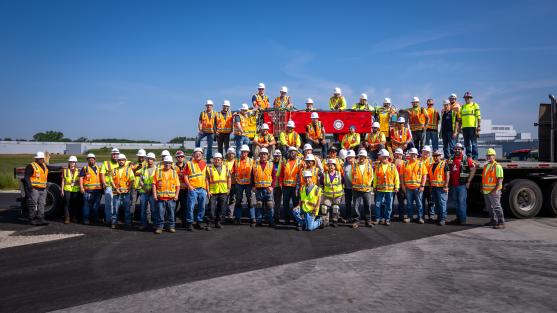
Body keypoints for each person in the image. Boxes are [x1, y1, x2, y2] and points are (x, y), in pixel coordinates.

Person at [447, 143, 476, 225]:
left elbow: (473, 169)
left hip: (462, 185)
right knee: (456, 203)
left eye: (459, 149)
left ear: (462, 150)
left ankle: (463, 220)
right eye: (456, 149)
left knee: (461, 202)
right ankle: (458, 218)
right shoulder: (451, 158)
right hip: (453, 185)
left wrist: (469, 181)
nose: (457, 150)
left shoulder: (466, 159)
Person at [152, 155, 180, 234]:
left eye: (169, 163)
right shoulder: (158, 172)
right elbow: (154, 184)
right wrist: (154, 195)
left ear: (171, 164)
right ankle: (160, 227)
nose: (168, 164)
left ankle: (171, 227)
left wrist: (176, 195)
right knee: (160, 214)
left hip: (171, 198)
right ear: (163, 163)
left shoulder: (174, 173)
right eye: (166, 163)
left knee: (171, 214)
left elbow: (178, 185)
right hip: (160, 198)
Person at [184, 147, 208, 231]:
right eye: (196, 153)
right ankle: (190, 223)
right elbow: (185, 176)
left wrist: (206, 189)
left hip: (202, 189)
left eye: (199, 153)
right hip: (193, 188)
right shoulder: (189, 163)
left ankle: (199, 222)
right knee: (191, 207)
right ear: (193, 155)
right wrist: (189, 186)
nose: (198, 155)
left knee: (202, 207)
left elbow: (206, 177)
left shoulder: (204, 164)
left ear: (202, 155)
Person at [373, 149, 400, 226]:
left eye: (385, 157)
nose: (384, 158)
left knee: (389, 205)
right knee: (378, 204)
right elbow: (375, 177)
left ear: (388, 157)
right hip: (380, 189)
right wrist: (374, 186)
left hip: (389, 190)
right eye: (383, 157)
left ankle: (387, 219)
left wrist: (397, 187)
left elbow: (396, 177)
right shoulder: (378, 166)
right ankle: (378, 218)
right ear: (381, 157)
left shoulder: (392, 166)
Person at [400, 148, 427, 224]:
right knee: (409, 204)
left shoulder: (421, 164)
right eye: (411, 154)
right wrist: (402, 185)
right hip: (408, 188)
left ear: (417, 155)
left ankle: (420, 217)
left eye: (414, 154)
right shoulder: (405, 164)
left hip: (418, 187)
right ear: (409, 155)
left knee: (419, 204)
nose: (413, 156)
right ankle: (410, 217)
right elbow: (401, 175)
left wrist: (422, 185)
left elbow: (424, 175)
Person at [206, 153, 231, 229]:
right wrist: (208, 191)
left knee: (221, 208)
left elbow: (229, 178)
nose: (217, 160)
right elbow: (207, 180)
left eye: (218, 159)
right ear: (213, 160)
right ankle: (209, 223)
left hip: (223, 191)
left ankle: (218, 222)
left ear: (221, 160)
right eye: (215, 159)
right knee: (211, 209)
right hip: (213, 192)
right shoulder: (209, 168)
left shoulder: (226, 168)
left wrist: (228, 188)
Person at [252, 148, 277, 227]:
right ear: (259, 155)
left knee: (270, 205)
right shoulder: (255, 164)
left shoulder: (271, 164)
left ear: (267, 156)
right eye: (262, 154)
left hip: (268, 189)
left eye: (265, 154)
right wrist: (253, 186)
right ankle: (259, 221)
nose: (263, 156)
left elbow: (274, 177)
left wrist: (272, 187)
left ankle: (271, 221)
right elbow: (252, 176)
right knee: (259, 205)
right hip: (258, 189)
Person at [24, 152, 49, 225]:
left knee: (42, 204)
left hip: (43, 189)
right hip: (34, 189)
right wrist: (30, 187)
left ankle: (41, 218)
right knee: (33, 204)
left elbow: (50, 168)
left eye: (43, 158)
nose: (42, 160)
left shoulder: (44, 165)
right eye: (41, 159)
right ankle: (32, 218)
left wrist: (60, 167)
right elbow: (26, 177)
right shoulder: (31, 166)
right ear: (37, 159)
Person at [482, 148, 505, 229]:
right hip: (486, 191)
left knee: (497, 207)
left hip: (494, 191)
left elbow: (500, 180)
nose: (488, 157)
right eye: (487, 155)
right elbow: (485, 178)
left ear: (494, 156)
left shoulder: (497, 166)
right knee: (489, 207)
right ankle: (493, 220)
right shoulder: (486, 166)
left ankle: (501, 222)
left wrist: (495, 190)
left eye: (490, 155)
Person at [110, 154, 135, 229]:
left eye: (122, 160)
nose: (121, 161)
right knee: (115, 209)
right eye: (120, 160)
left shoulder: (128, 169)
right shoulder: (114, 170)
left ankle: (127, 223)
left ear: (125, 161)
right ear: (117, 161)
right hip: (116, 193)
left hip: (126, 193)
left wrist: (128, 188)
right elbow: (111, 180)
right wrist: (115, 188)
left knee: (127, 209)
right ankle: (114, 223)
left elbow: (132, 180)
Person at [351, 150, 374, 228]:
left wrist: (368, 185)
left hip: (366, 190)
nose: (361, 158)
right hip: (356, 190)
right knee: (356, 206)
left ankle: (368, 221)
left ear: (365, 157)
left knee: (367, 206)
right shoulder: (354, 166)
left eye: (363, 157)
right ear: (359, 157)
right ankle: (356, 221)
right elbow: (352, 177)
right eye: (360, 157)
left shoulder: (369, 166)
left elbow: (371, 177)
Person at [233, 145, 255, 225]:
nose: (244, 153)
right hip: (239, 184)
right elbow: (233, 172)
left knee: (250, 201)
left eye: (245, 152)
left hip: (248, 184)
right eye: (242, 152)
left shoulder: (252, 161)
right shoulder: (237, 161)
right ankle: (237, 218)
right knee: (238, 201)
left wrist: (254, 185)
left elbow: (254, 173)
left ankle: (252, 218)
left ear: (248, 152)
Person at [280, 147, 302, 225]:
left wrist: (299, 187)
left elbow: (300, 176)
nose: (293, 154)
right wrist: (281, 183)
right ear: (288, 153)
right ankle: (287, 220)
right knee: (285, 204)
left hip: (295, 187)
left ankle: (296, 220)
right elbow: (281, 174)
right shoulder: (285, 162)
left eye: (294, 152)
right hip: (286, 187)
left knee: (296, 204)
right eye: (291, 152)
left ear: (296, 153)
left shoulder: (300, 162)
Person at [428, 149, 450, 225]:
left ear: (440, 156)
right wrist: (431, 187)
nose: (435, 157)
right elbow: (431, 177)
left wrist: (446, 186)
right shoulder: (431, 165)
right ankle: (439, 217)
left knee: (442, 204)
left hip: (441, 188)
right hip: (434, 187)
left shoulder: (444, 164)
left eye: (437, 156)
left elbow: (447, 175)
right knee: (437, 204)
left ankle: (443, 219)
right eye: (434, 156)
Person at [80, 153, 102, 225]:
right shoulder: (85, 168)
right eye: (89, 159)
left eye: (92, 159)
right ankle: (86, 219)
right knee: (87, 206)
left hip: (98, 190)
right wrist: (81, 188)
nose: (91, 161)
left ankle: (95, 219)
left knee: (96, 206)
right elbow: (81, 178)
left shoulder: (98, 168)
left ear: (95, 160)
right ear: (87, 160)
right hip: (88, 191)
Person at [100, 148, 120, 225]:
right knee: (109, 204)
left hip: (117, 186)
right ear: (111, 155)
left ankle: (115, 220)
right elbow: (102, 174)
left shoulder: (120, 163)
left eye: (117, 154)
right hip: (109, 186)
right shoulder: (106, 163)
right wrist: (104, 183)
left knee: (117, 204)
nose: (115, 156)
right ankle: (108, 220)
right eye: (114, 154)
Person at [320, 159, 343, 227]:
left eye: (332, 165)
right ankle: (325, 221)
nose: (330, 167)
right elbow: (321, 184)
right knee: (324, 208)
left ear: (335, 166)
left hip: (337, 195)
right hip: (327, 195)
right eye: (329, 165)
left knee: (335, 208)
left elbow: (342, 182)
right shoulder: (324, 175)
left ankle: (335, 220)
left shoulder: (339, 174)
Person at [460, 91, 481, 160]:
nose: (467, 99)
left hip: (472, 127)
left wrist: (478, 127)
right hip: (465, 128)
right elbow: (461, 118)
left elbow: (479, 117)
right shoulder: (462, 107)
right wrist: (460, 127)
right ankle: (469, 156)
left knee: (474, 143)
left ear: (471, 98)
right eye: (466, 98)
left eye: (468, 97)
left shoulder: (475, 105)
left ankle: (475, 157)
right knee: (466, 144)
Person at [138, 152, 156, 230]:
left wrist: (152, 190)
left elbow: (158, 181)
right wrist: (145, 189)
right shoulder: (143, 169)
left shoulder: (157, 170)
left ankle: (155, 224)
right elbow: (140, 181)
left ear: (154, 160)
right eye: (148, 159)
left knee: (154, 209)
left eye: (151, 159)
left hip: (153, 192)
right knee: (143, 209)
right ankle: (144, 224)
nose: (149, 160)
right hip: (144, 192)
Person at [61, 155, 81, 224]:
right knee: (67, 204)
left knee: (75, 204)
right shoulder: (65, 170)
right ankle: (67, 218)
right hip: (67, 189)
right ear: (69, 162)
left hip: (76, 190)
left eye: (74, 162)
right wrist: (62, 190)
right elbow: (63, 181)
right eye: (71, 162)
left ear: (75, 163)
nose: (72, 163)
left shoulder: (78, 171)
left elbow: (80, 180)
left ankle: (74, 217)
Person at [420, 146, 435, 222]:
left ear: (429, 153)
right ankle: (421, 216)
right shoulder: (419, 160)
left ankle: (431, 216)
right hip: (421, 185)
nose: (425, 153)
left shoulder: (432, 161)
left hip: (430, 185)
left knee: (431, 201)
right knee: (421, 201)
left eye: (427, 152)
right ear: (422, 152)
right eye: (424, 152)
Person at [174, 150, 188, 226]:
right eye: (178, 157)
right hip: (176, 190)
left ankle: (184, 222)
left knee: (184, 206)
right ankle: (172, 222)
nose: (180, 158)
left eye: (181, 157)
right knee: (174, 207)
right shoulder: (173, 167)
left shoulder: (187, 166)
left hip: (185, 190)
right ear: (176, 158)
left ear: (184, 157)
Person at [341, 150, 355, 223]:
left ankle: (355, 217)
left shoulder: (357, 165)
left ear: (354, 158)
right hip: (347, 187)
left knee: (356, 203)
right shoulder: (344, 165)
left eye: (351, 158)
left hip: (355, 188)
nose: (350, 159)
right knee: (348, 202)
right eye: (348, 158)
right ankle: (348, 216)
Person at [393, 148, 406, 221]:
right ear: (394, 155)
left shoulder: (405, 163)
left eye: (400, 154)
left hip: (401, 185)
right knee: (390, 201)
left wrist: (403, 185)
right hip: (392, 185)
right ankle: (390, 215)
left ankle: (401, 216)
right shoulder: (391, 163)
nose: (398, 156)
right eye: (397, 154)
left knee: (401, 201)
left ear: (402, 155)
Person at [224, 147, 237, 221]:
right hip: (225, 184)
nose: (231, 155)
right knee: (224, 200)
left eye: (232, 153)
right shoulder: (224, 162)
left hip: (234, 184)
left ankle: (230, 215)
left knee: (232, 200)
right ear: (227, 154)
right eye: (229, 153)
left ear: (234, 154)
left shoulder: (237, 162)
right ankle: (223, 215)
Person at [272, 150, 283, 224]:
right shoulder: (270, 164)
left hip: (279, 186)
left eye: (278, 156)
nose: (277, 157)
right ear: (273, 156)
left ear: (280, 156)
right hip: (271, 186)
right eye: (276, 156)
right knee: (270, 203)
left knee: (278, 204)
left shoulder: (282, 164)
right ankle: (270, 217)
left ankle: (277, 218)